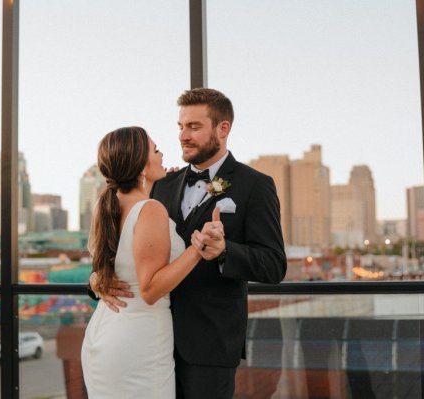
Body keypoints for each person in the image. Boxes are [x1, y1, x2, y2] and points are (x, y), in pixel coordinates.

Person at [90, 88, 287, 398]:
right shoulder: (161, 185)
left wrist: (225, 252)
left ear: (223, 129)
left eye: (194, 127)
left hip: (208, 348)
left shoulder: (255, 186)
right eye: (180, 126)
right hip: (149, 342)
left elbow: (274, 265)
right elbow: (127, 250)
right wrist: (97, 280)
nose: (183, 135)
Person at [81, 126, 218, 398]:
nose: (162, 153)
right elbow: (151, 289)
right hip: (139, 342)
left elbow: (107, 268)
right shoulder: (150, 209)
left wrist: (96, 280)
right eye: (155, 150)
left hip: (105, 331)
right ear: (141, 166)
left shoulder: (105, 205)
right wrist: (197, 248)